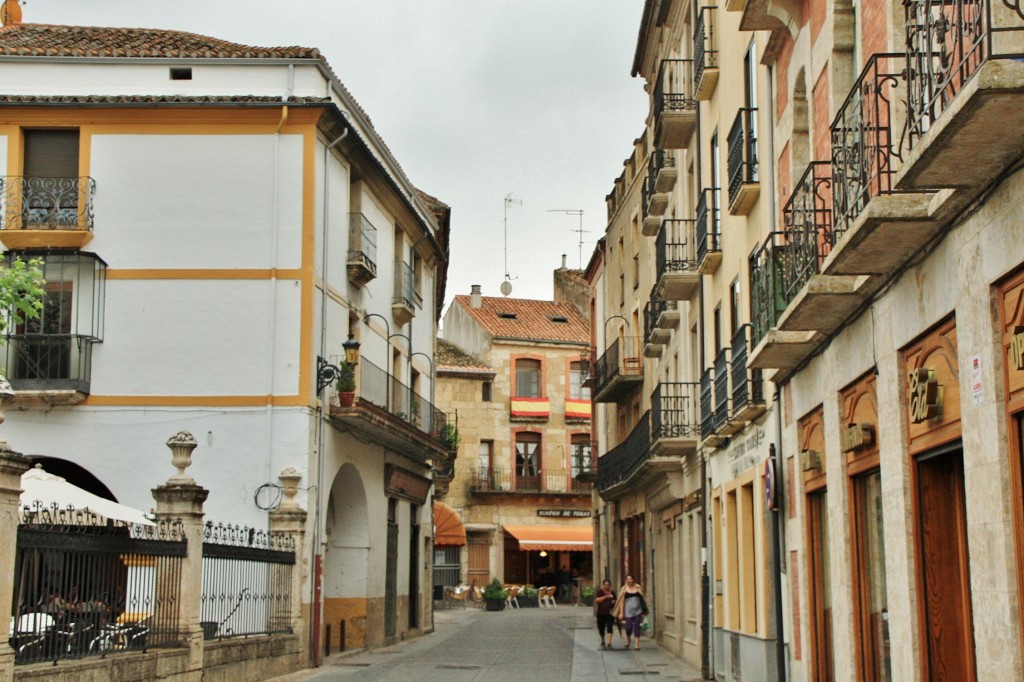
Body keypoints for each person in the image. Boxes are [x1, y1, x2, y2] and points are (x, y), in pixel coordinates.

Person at [612, 574, 648, 651]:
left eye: (630, 579)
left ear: (633, 580)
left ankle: (637, 643)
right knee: (628, 627)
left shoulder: (638, 587)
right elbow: (621, 602)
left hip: (638, 610)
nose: (628, 580)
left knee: (637, 626)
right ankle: (628, 638)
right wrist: (621, 613)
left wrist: (644, 610)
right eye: (627, 579)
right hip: (628, 611)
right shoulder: (624, 589)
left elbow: (643, 598)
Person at [594, 579, 617, 649]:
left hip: (610, 613)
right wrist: (606, 597)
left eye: (608, 585)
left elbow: (616, 601)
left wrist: (614, 601)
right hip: (601, 613)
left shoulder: (613, 593)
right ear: (603, 585)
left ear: (610, 585)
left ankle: (609, 643)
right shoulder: (600, 592)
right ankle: (603, 640)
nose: (607, 586)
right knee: (601, 627)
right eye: (605, 585)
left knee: (610, 627)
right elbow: (597, 600)